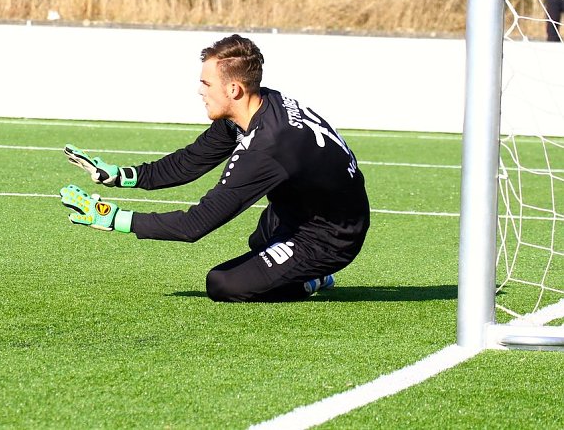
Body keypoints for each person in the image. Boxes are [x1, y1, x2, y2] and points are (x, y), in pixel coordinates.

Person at [60, 34, 370, 303]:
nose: (200, 90)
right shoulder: (256, 106)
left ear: (234, 89)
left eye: (206, 83)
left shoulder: (267, 146)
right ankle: (296, 266)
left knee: (223, 283)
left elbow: (194, 225)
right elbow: (192, 160)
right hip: (298, 213)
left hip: (331, 236)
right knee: (259, 244)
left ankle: (313, 277)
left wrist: (114, 218)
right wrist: (122, 175)